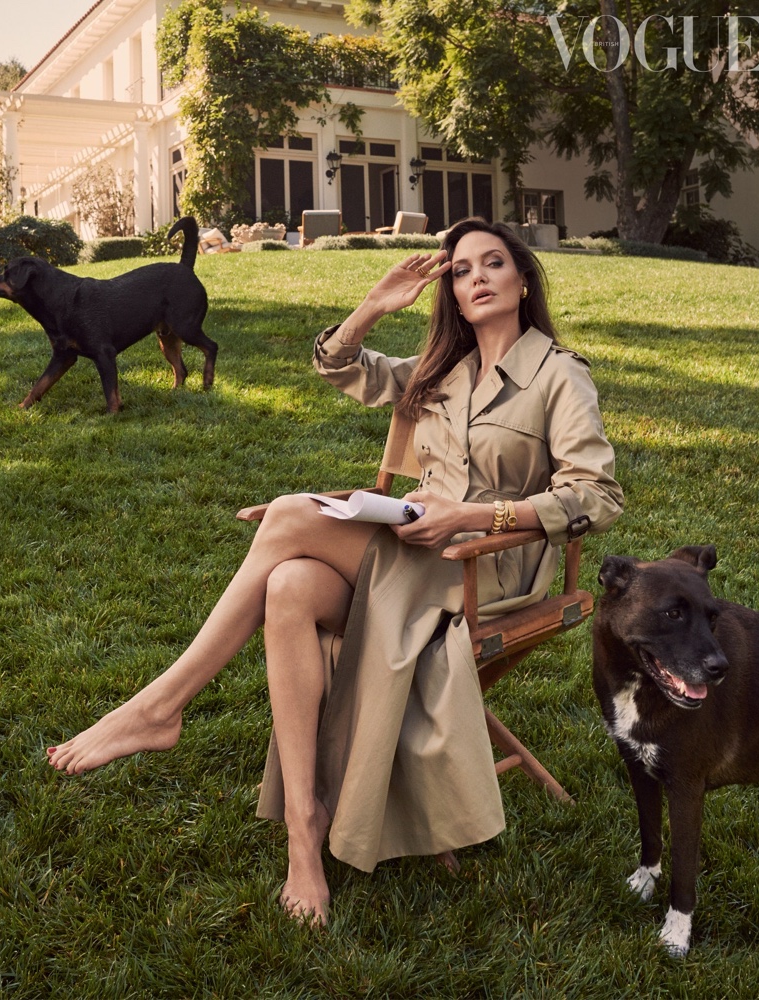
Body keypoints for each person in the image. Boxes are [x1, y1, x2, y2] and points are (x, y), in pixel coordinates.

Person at [47, 217, 623, 927]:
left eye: (493, 263)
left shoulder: (557, 373)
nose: (476, 276)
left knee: (289, 517)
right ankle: (303, 831)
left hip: (486, 571)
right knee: (287, 584)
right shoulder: (445, 367)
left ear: (522, 278)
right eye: (463, 267)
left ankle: (161, 707)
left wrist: (475, 519)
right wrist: (376, 304)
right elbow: (341, 367)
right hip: (411, 553)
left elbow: (595, 496)